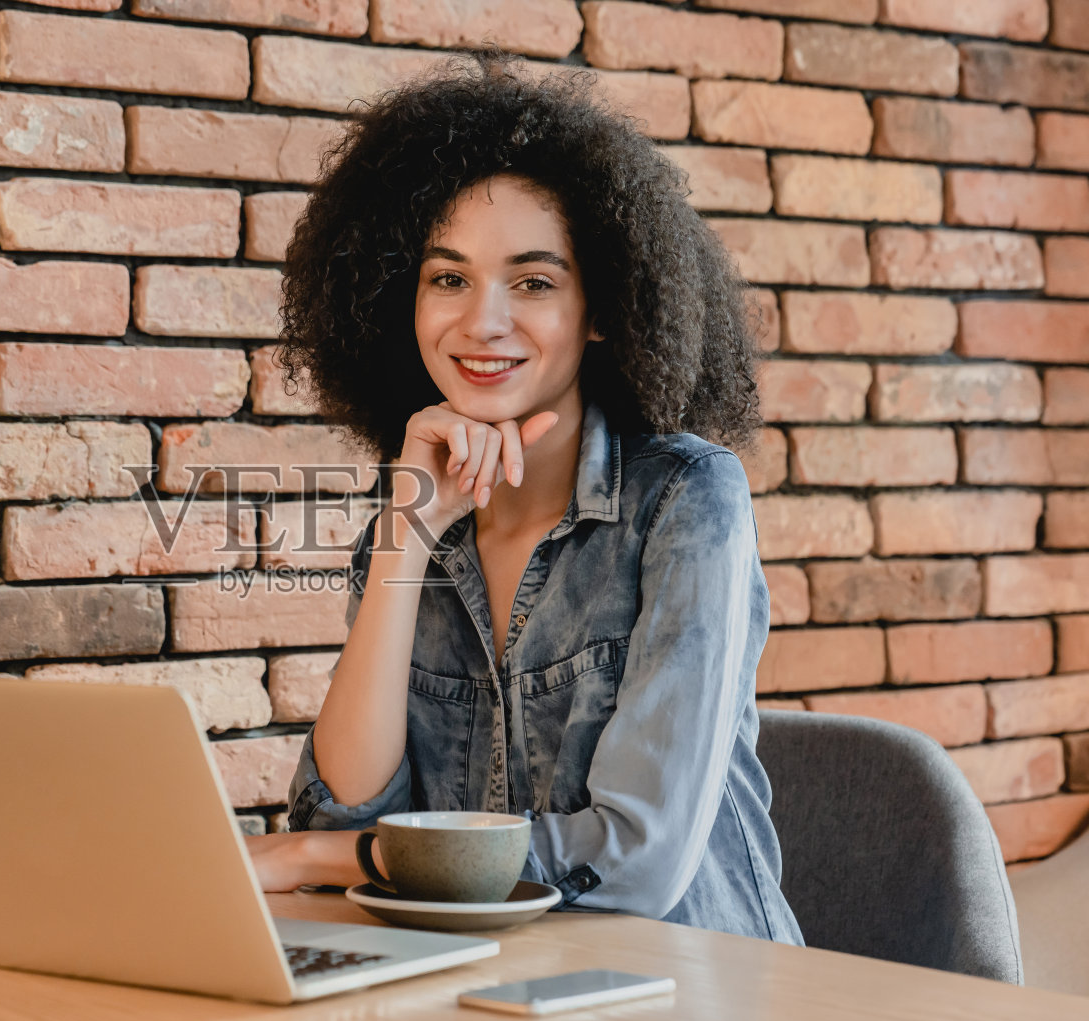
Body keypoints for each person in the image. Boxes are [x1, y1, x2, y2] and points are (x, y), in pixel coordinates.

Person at [243, 56, 803, 944]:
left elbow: (635, 861)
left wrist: (319, 864)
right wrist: (406, 536)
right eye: (448, 277)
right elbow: (343, 814)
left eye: (534, 282)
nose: (483, 322)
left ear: (602, 307)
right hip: (478, 986)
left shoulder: (687, 501)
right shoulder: (415, 521)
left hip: (696, 990)